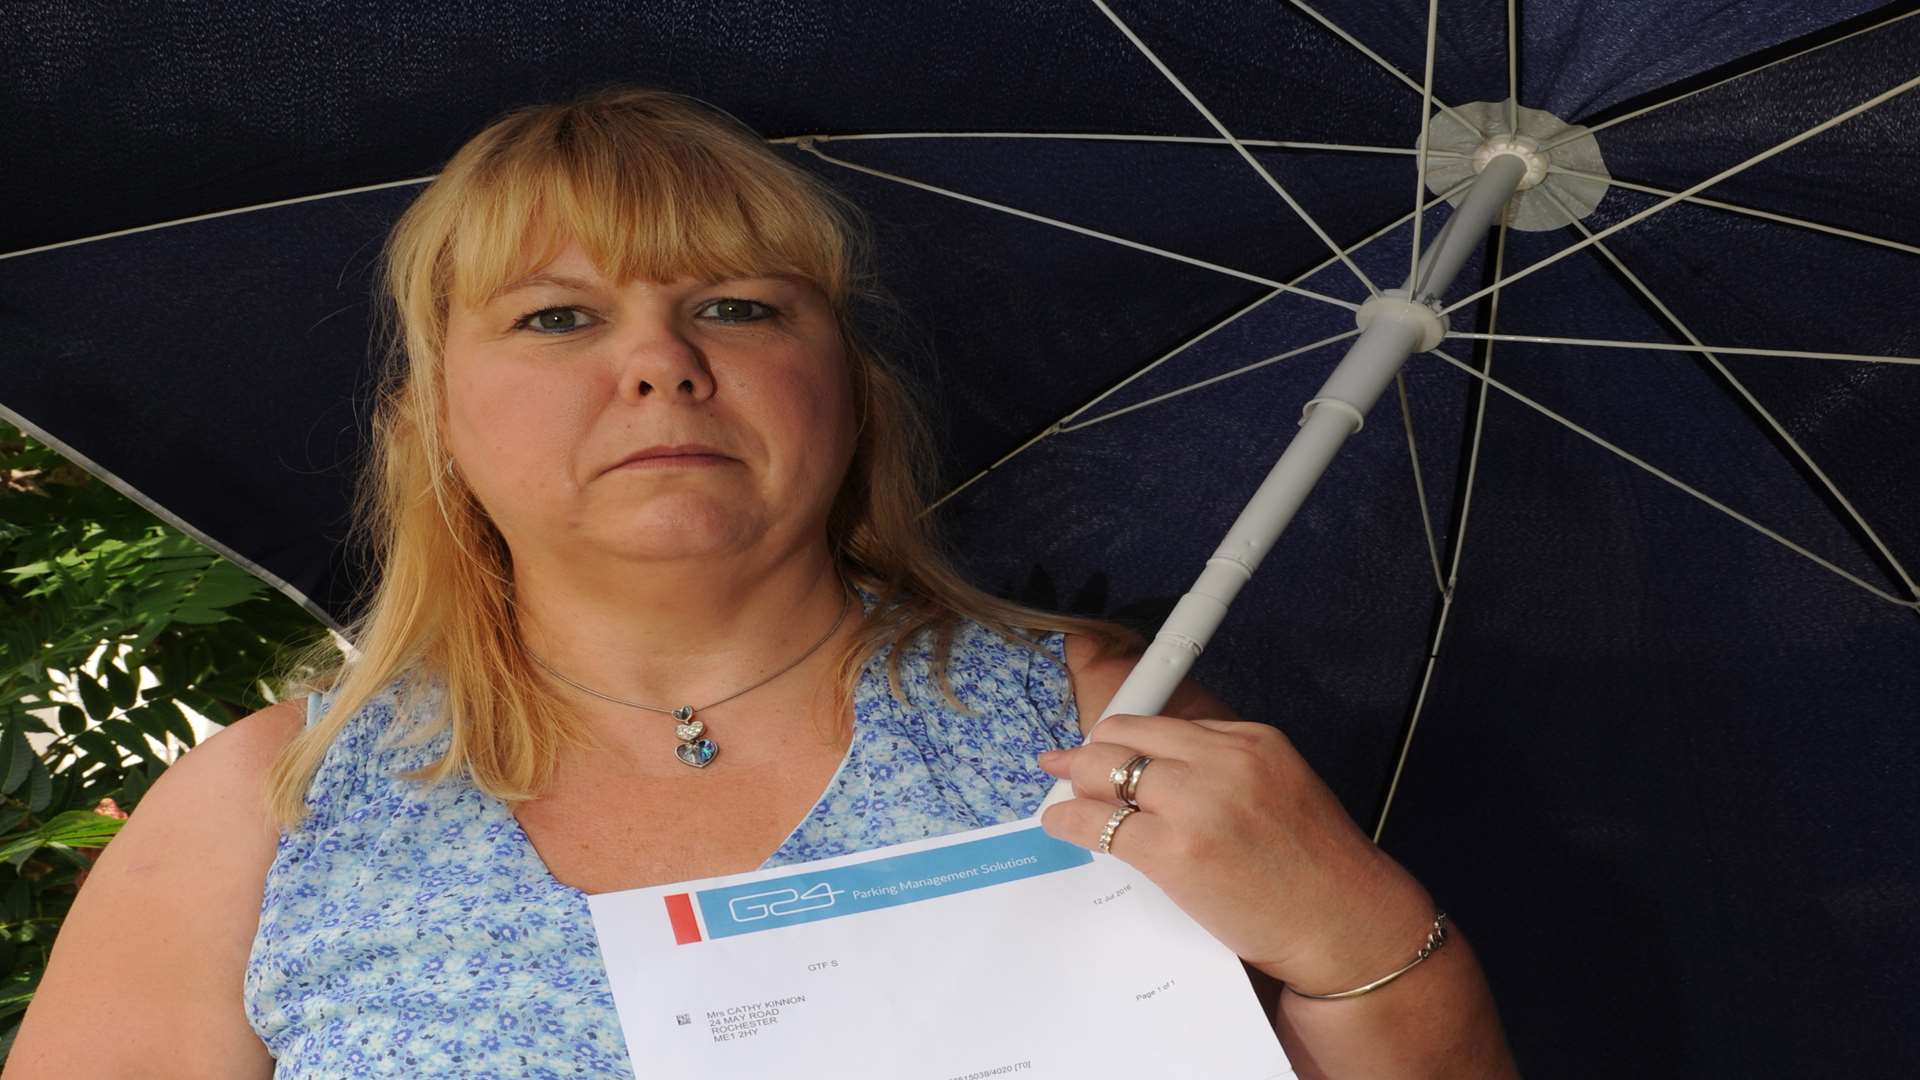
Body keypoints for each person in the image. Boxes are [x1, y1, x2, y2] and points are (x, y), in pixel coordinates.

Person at [7, 85, 1518, 1078]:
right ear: (431, 422)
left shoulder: (1098, 724)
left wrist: (1355, 937)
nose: (662, 362)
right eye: (556, 319)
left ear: (840, 393)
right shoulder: (273, 809)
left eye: (739, 305)